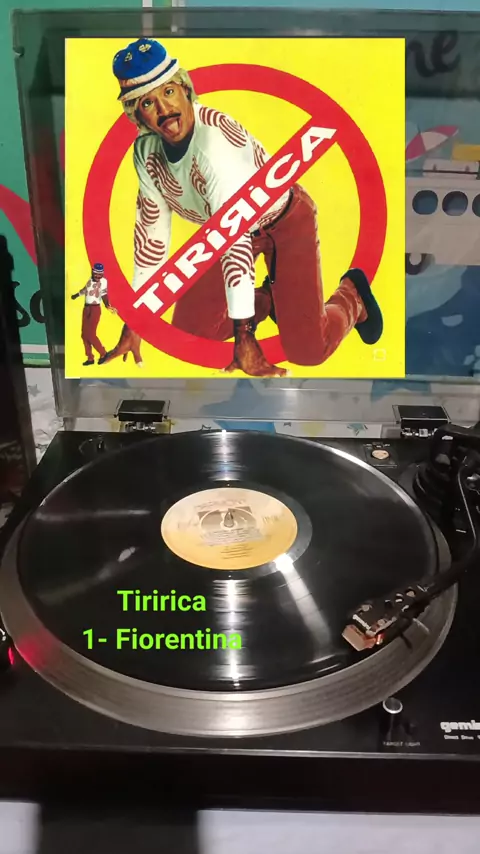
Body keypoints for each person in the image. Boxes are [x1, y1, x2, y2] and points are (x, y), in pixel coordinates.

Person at [110, 38, 383, 377]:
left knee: (310, 350)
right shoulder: (146, 152)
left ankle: (353, 296)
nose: (164, 109)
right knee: (192, 332)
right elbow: (151, 238)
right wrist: (137, 321)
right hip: (221, 230)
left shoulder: (214, 145)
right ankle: (271, 297)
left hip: (283, 221)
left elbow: (234, 239)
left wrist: (245, 337)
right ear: (137, 115)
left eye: (168, 92)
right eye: (148, 102)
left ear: (185, 89)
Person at [71, 262, 116, 365]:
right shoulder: (89, 281)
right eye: (96, 274)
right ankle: (90, 357)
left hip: (95, 309)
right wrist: (76, 295)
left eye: (100, 274)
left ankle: (103, 353)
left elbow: (104, 293)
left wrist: (107, 304)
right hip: (86, 308)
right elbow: (85, 290)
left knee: (91, 334)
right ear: (92, 272)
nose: (97, 276)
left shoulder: (103, 281)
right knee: (84, 335)